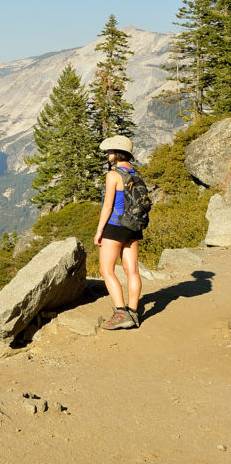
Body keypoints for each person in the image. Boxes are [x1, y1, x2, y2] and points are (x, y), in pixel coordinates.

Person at [94, 135, 143, 330]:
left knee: (106, 270)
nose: (107, 154)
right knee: (132, 270)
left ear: (116, 153)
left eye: (109, 151)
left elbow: (108, 206)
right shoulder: (135, 173)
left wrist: (99, 231)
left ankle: (121, 313)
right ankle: (133, 312)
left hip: (115, 226)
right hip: (133, 226)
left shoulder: (113, 175)